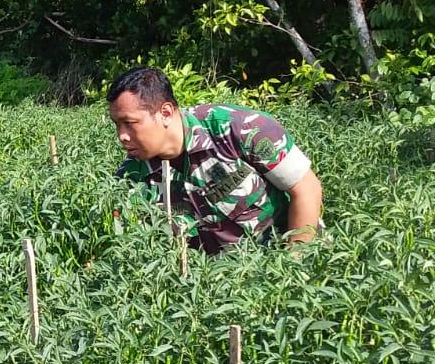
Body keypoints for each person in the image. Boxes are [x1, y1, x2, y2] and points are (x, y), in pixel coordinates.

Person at [107, 67, 322, 254]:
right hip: (215, 281)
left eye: (130, 123)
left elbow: (306, 189)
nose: (121, 136)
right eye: (117, 125)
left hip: (284, 257)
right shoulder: (131, 176)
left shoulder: (240, 128)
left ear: (165, 112)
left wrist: (294, 262)